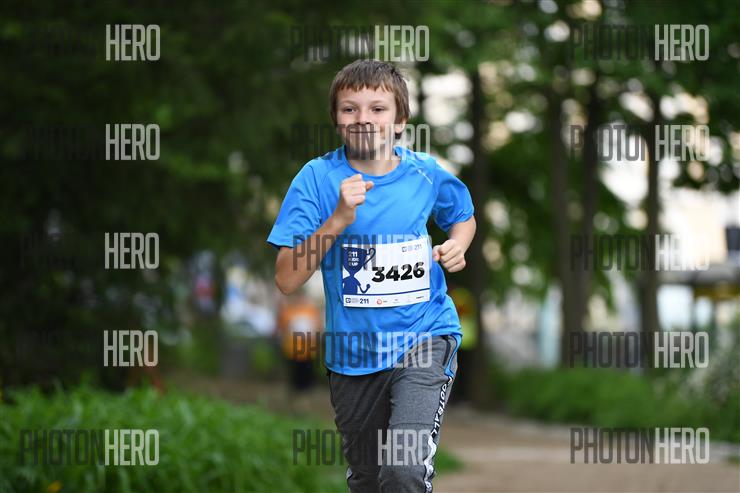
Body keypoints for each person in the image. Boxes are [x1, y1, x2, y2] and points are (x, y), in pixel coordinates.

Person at [267, 59, 476, 493]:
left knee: (403, 470)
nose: (363, 118)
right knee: (368, 480)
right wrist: (337, 220)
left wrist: (458, 244)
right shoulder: (316, 179)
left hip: (423, 337)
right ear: (336, 119)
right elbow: (287, 279)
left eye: (377, 109)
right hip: (353, 355)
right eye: (350, 108)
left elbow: (463, 216)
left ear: (400, 121)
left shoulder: (425, 173)